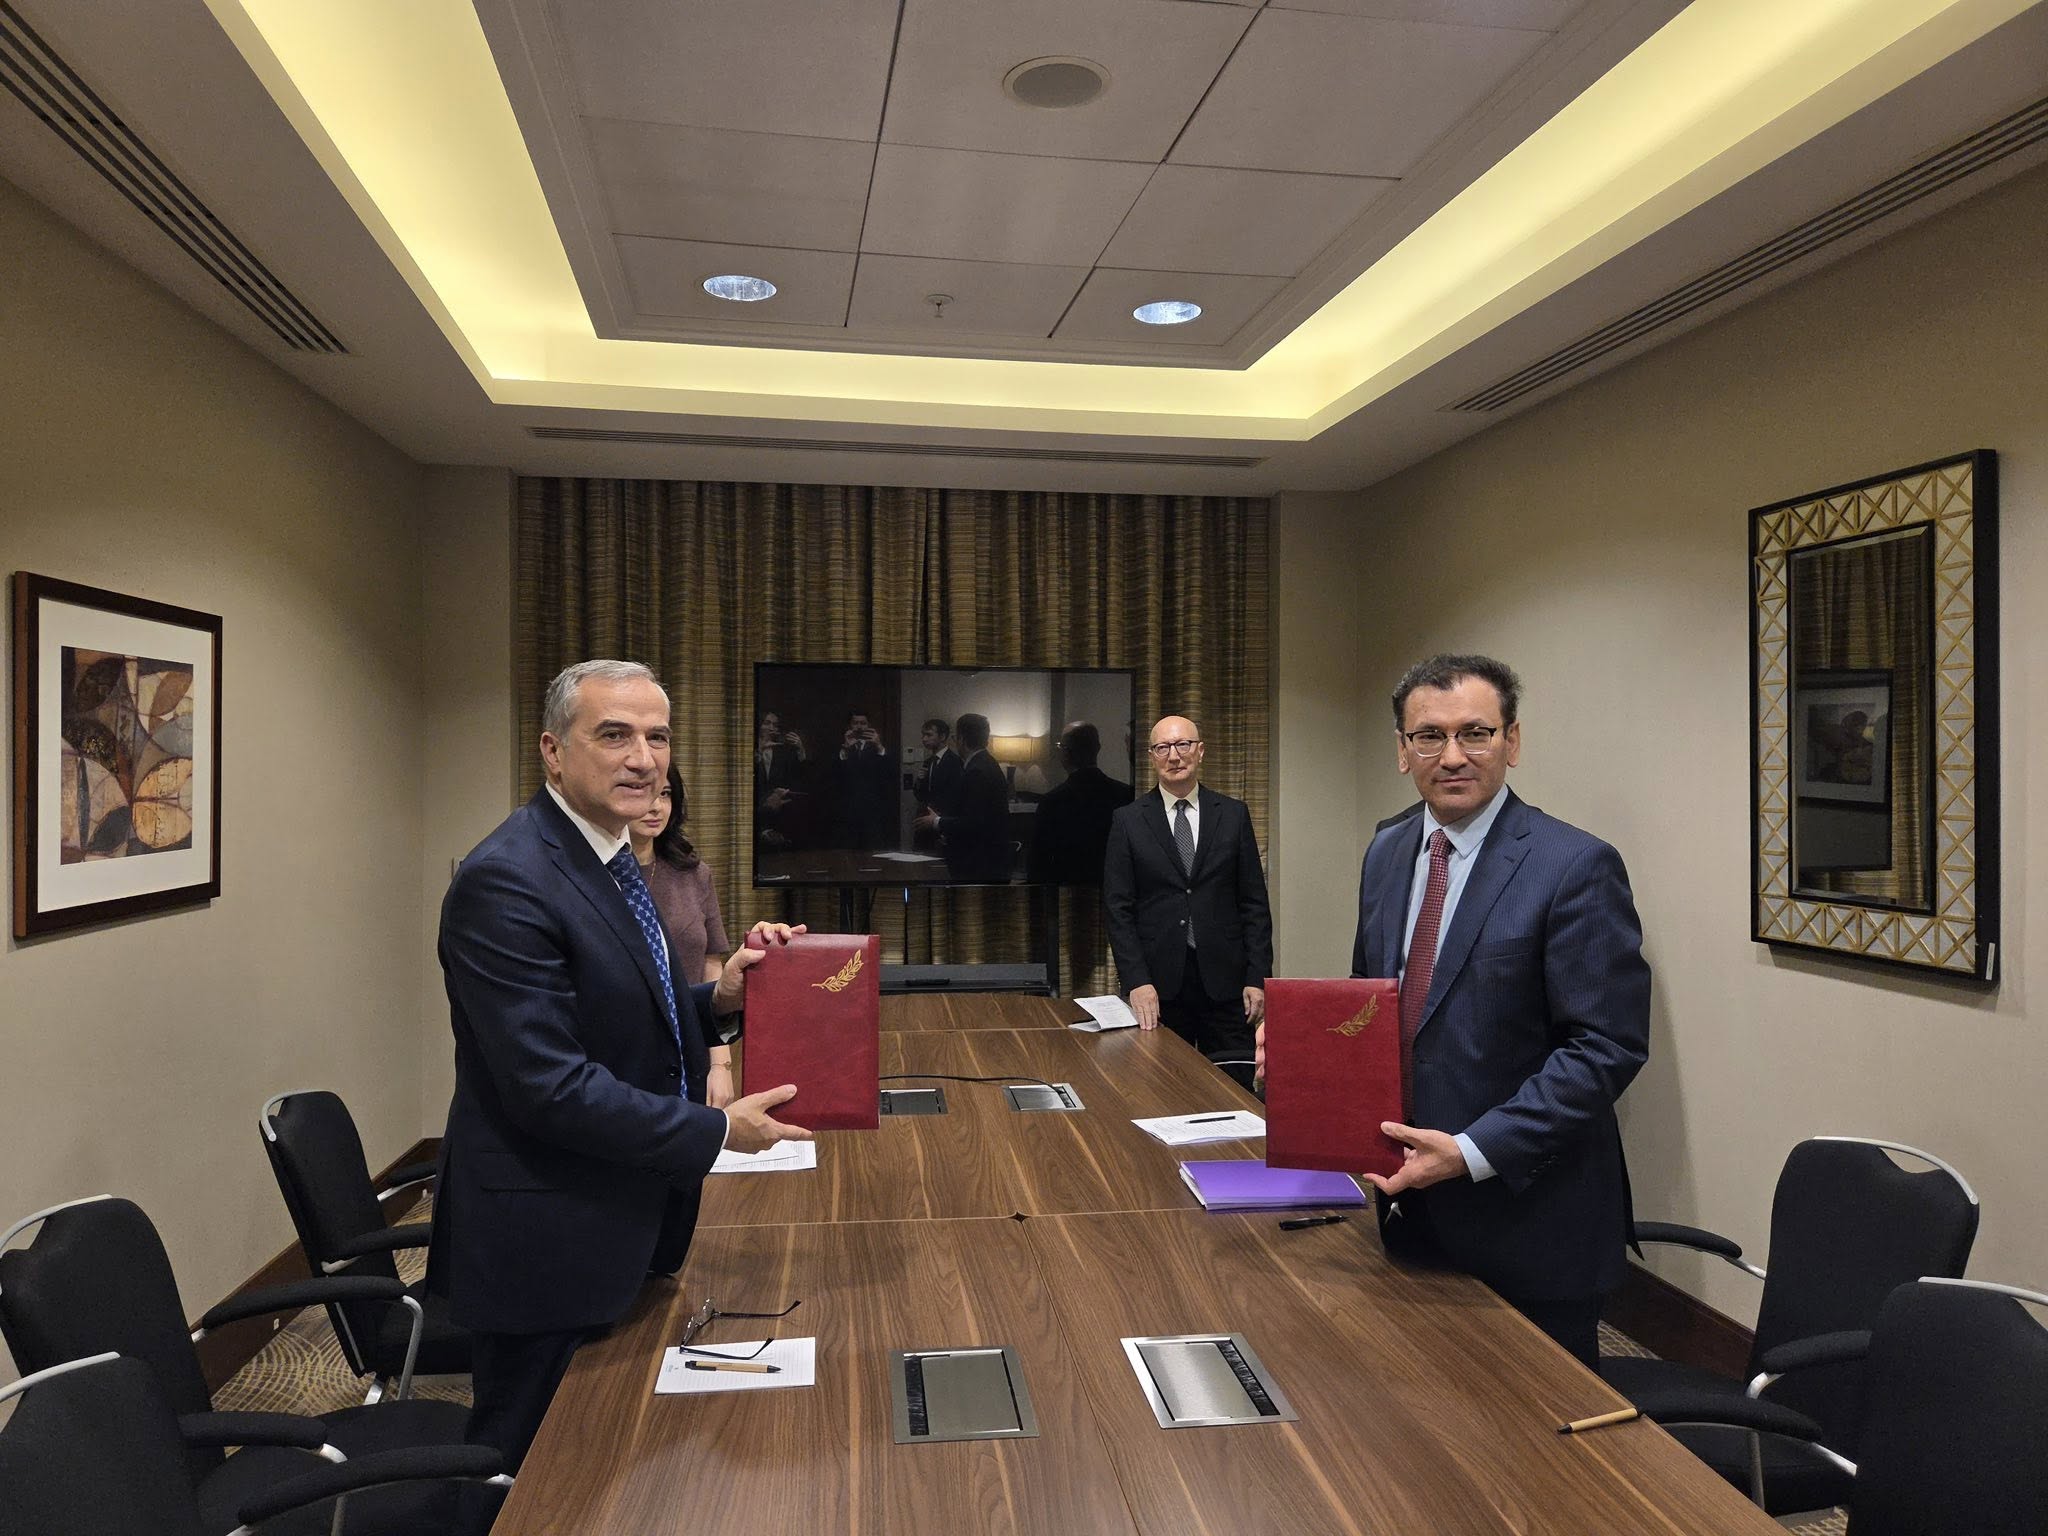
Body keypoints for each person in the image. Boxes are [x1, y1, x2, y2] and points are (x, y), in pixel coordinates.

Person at [430, 659, 813, 1473]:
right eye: (615, 736)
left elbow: (627, 1013)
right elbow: (550, 1087)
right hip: (547, 1237)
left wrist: (721, 997)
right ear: (553, 751)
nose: (644, 759)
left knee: (607, 1459)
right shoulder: (508, 879)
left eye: (657, 737)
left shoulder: (607, 857)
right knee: (528, 1473)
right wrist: (716, 1131)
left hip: (619, 1211)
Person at [1265, 653, 1649, 1368]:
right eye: (1429, 736)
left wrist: (1472, 1153)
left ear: (1512, 741)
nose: (1452, 756)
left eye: (1475, 732)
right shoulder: (1387, 849)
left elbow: (1605, 1047)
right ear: (1402, 750)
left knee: (1537, 1423)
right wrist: (1306, 1060)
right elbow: (1372, 1005)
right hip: (1408, 1207)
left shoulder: (1574, 865)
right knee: (1419, 1406)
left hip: (1530, 1217)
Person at [1103, 715, 1272, 1075]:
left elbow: (1254, 903)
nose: (1174, 756)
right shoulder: (1128, 821)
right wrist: (1136, 981)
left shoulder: (1233, 815)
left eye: (1183, 745)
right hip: (1158, 986)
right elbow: (1118, 909)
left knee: (1233, 1090)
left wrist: (1257, 977)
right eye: (1163, 747)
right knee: (1162, 1087)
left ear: (1200, 751)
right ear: (1151, 756)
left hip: (1227, 986)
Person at [629, 765, 735, 1108]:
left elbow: (711, 967)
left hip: (689, 1048)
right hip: (625, 1054)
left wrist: (720, 1065)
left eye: (665, 794)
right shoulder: (595, 875)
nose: (656, 807)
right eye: (646, 793)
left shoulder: (694, 874)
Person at [1027, 720, 1133, 885]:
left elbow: (1038, 865)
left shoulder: (1053, 802)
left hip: (1068, 892)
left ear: (1066, 752)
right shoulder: (1125, 794)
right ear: (1098, 748)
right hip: (1114, 888)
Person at [914, 712, 1010, 881]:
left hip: (978, 862)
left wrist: (937, 822)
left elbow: (973, 822)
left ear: (962, 739)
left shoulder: (976, 771)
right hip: (985, 858)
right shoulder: (986, 763)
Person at [829, 709, 894, 849]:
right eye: (855, 723)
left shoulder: (876, 746)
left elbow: (889, 773)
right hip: (848, 810)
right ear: (850, 725)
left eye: (863, 723)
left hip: (873, 809)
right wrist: (846, 749)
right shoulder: (842, 746)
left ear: (869, 725)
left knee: (873, 849)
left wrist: (879, 746)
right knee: (848, 850)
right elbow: (835, 776)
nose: (859, 727)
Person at [754, 711, 807, 849]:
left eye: (775, 725)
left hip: (778, 808)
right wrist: (759, 750)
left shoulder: (782, 751)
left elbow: (799, 776)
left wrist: (800, 749)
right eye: (767, 723)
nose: (772, 728)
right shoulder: (745, 747)